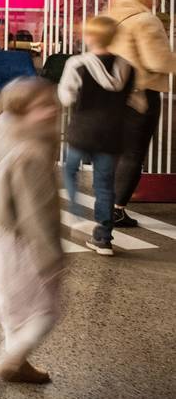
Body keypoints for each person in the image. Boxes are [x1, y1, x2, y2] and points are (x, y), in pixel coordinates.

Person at [0, 77, 63, 386]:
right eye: (42, 107)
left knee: (12, 311)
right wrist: (51, 257)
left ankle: (18, 363)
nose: (51, 111)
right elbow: (37, 213)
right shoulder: (33, 153)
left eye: (52, 104)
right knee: (46, 312)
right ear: (21, 111)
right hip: (25, 244)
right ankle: (10, 360)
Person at [57, 15, 132, 255]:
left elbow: (66, 97)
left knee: (70, 170)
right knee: (105, 185)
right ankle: (103, 238)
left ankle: (76, 213)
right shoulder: (126, 66)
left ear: (90, 37)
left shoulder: (77, 64)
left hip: (83, 131)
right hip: (112, 133)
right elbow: (131, 98)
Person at [106, 0, 176, 227]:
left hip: (110, 93)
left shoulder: (108, 17)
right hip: (139, 94)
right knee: (133, 152)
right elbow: (157, 61)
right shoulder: (145, 20)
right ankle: (117, 210)